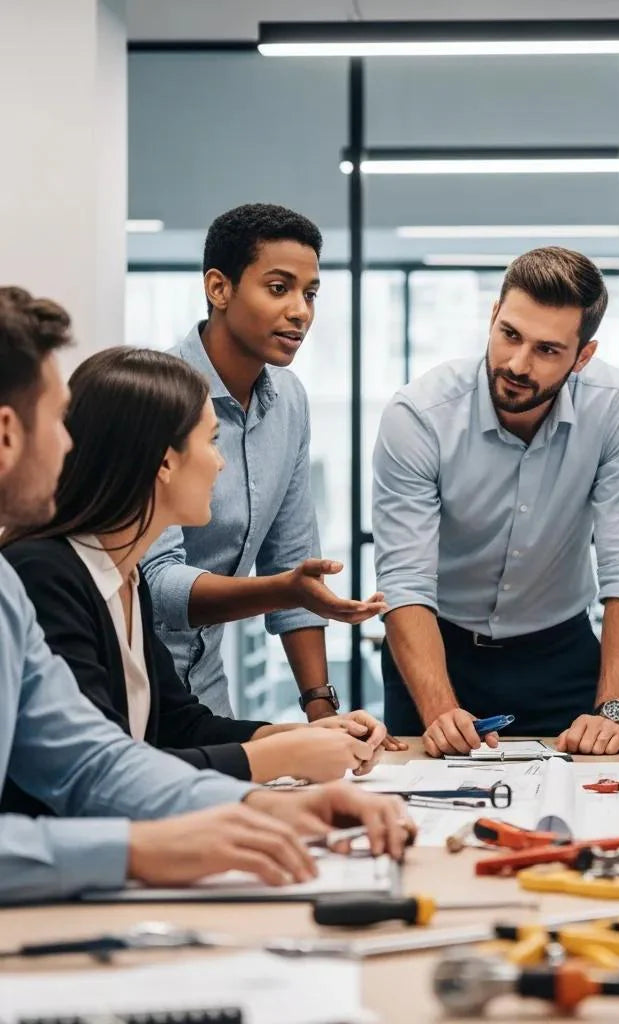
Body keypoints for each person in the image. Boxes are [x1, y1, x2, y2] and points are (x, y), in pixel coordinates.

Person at [0, 285, 411, 905]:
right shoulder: (38, 574)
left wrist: (261, 800)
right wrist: (141, 849)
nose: (69, 443)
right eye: (58, 421)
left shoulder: (13, 585)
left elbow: (92, 761)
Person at [373, 247, 619, 757]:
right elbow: (405, 580)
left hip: (559, 654)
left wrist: (614, 711)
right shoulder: (419, 415)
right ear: (492, 317)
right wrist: (440, 710)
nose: (517, 364)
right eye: (509, 335)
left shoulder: (615, 406)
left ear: (582, 357)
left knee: (585, 806)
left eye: (548, 350)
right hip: (436, 652)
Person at [142, 203, 392, 726]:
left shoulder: (290, 400)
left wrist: (321, 710)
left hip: (205, 691)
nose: (301, 310)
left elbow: (292, 554)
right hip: (132, 682)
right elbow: (158, 586)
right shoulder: (159, 394)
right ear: (219, 288)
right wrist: (283, 588)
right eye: (279, 288)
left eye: (310, 293)